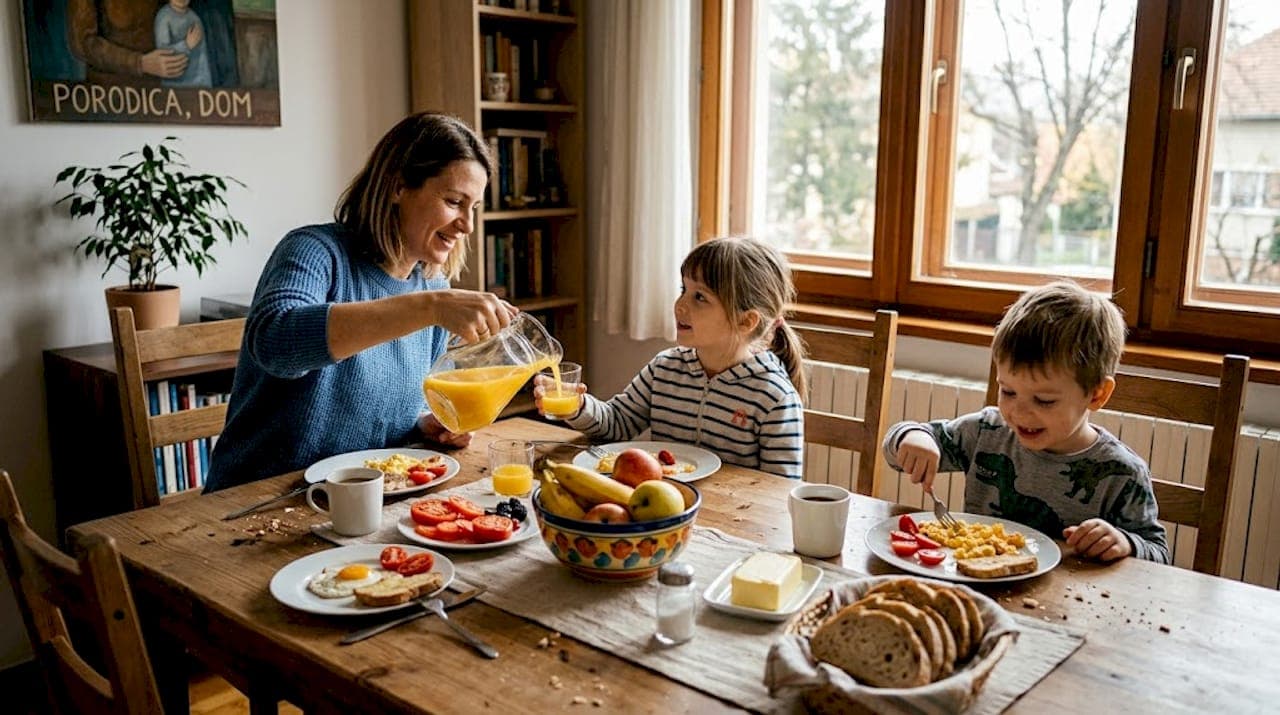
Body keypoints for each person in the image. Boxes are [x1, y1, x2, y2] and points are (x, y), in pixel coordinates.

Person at [205, 112, 517, 492]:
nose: (467, 225)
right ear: (398, 187)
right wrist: (429, 307)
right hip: (258, 500)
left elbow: (385, 402)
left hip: (359, 499)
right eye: (454, 202)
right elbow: (275, 344)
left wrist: (423, 424)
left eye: (474, 208)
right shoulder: (315, 251)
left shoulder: (433, 286)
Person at [882, 280, 1169, 563]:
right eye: (1007, 391)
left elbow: (1159, 554)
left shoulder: (1122, 473)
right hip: (981, 588)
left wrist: (1125, 543)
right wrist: (913, 437)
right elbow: (896, 451)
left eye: (1044, 400)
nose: (1018, 413)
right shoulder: (988, 431)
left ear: (1096, 395)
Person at [535, 237, 807, 478]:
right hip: (661, 511)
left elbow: (779, 493)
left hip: (734, 522)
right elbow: (615, 425)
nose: (680, 305)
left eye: (699, 297)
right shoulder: (665, 368)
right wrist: (578, 406)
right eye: (683, 291)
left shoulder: (774, 398)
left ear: (746, 321)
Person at [154, 0, 212, 87]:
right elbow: (163, 55)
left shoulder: (195, 18)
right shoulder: (163, 17)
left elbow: (202, 58)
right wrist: (186, 45)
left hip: (198, 84)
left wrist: (206, 85)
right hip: (173, 86)